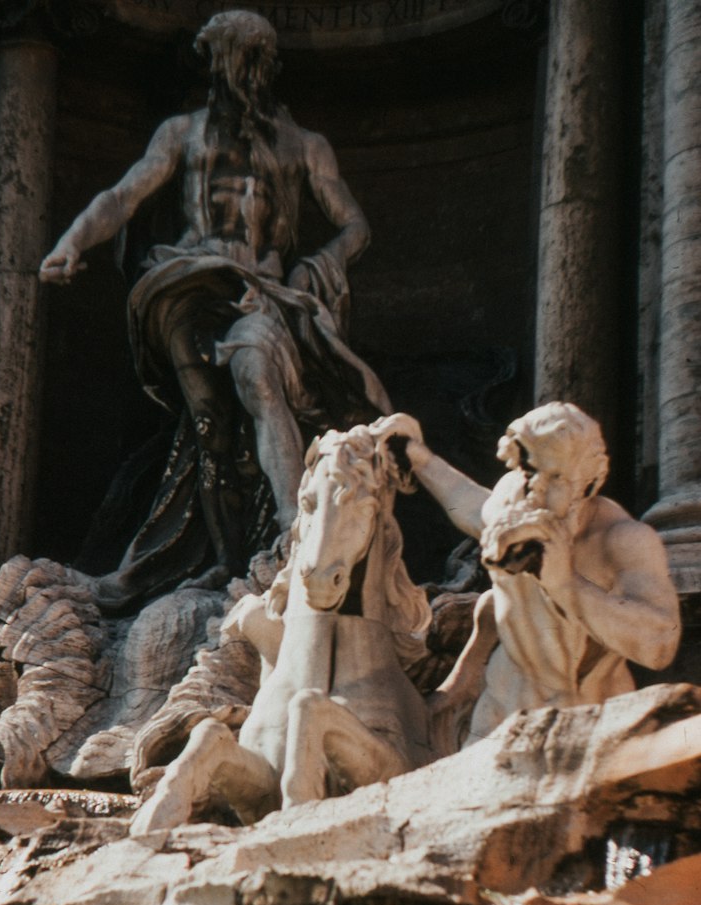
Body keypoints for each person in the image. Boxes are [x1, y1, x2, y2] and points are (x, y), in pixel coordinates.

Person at [41, 9, 390, 609]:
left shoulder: (305, 145)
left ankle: (292, 531)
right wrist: (72, 241)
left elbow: (354, 225)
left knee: (258, 376)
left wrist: (320, 261)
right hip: (191, 283)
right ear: (214, 62)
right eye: (232, 56)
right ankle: (230, 560)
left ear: (268, 65)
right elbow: (124, 196)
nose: (243, 70)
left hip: (260, 289)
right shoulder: (182, 133)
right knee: (211, 430)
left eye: (254, 57)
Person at [373, 403, 681, 746]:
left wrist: (564, 583)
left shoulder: (622, 540)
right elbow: (474, 508)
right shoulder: (513, 496)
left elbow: (660, 645)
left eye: (556, 478)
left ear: (590, 482)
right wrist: (419, 459)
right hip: (499, 712)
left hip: (585, 724)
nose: (536, 491)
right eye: (530, 472)